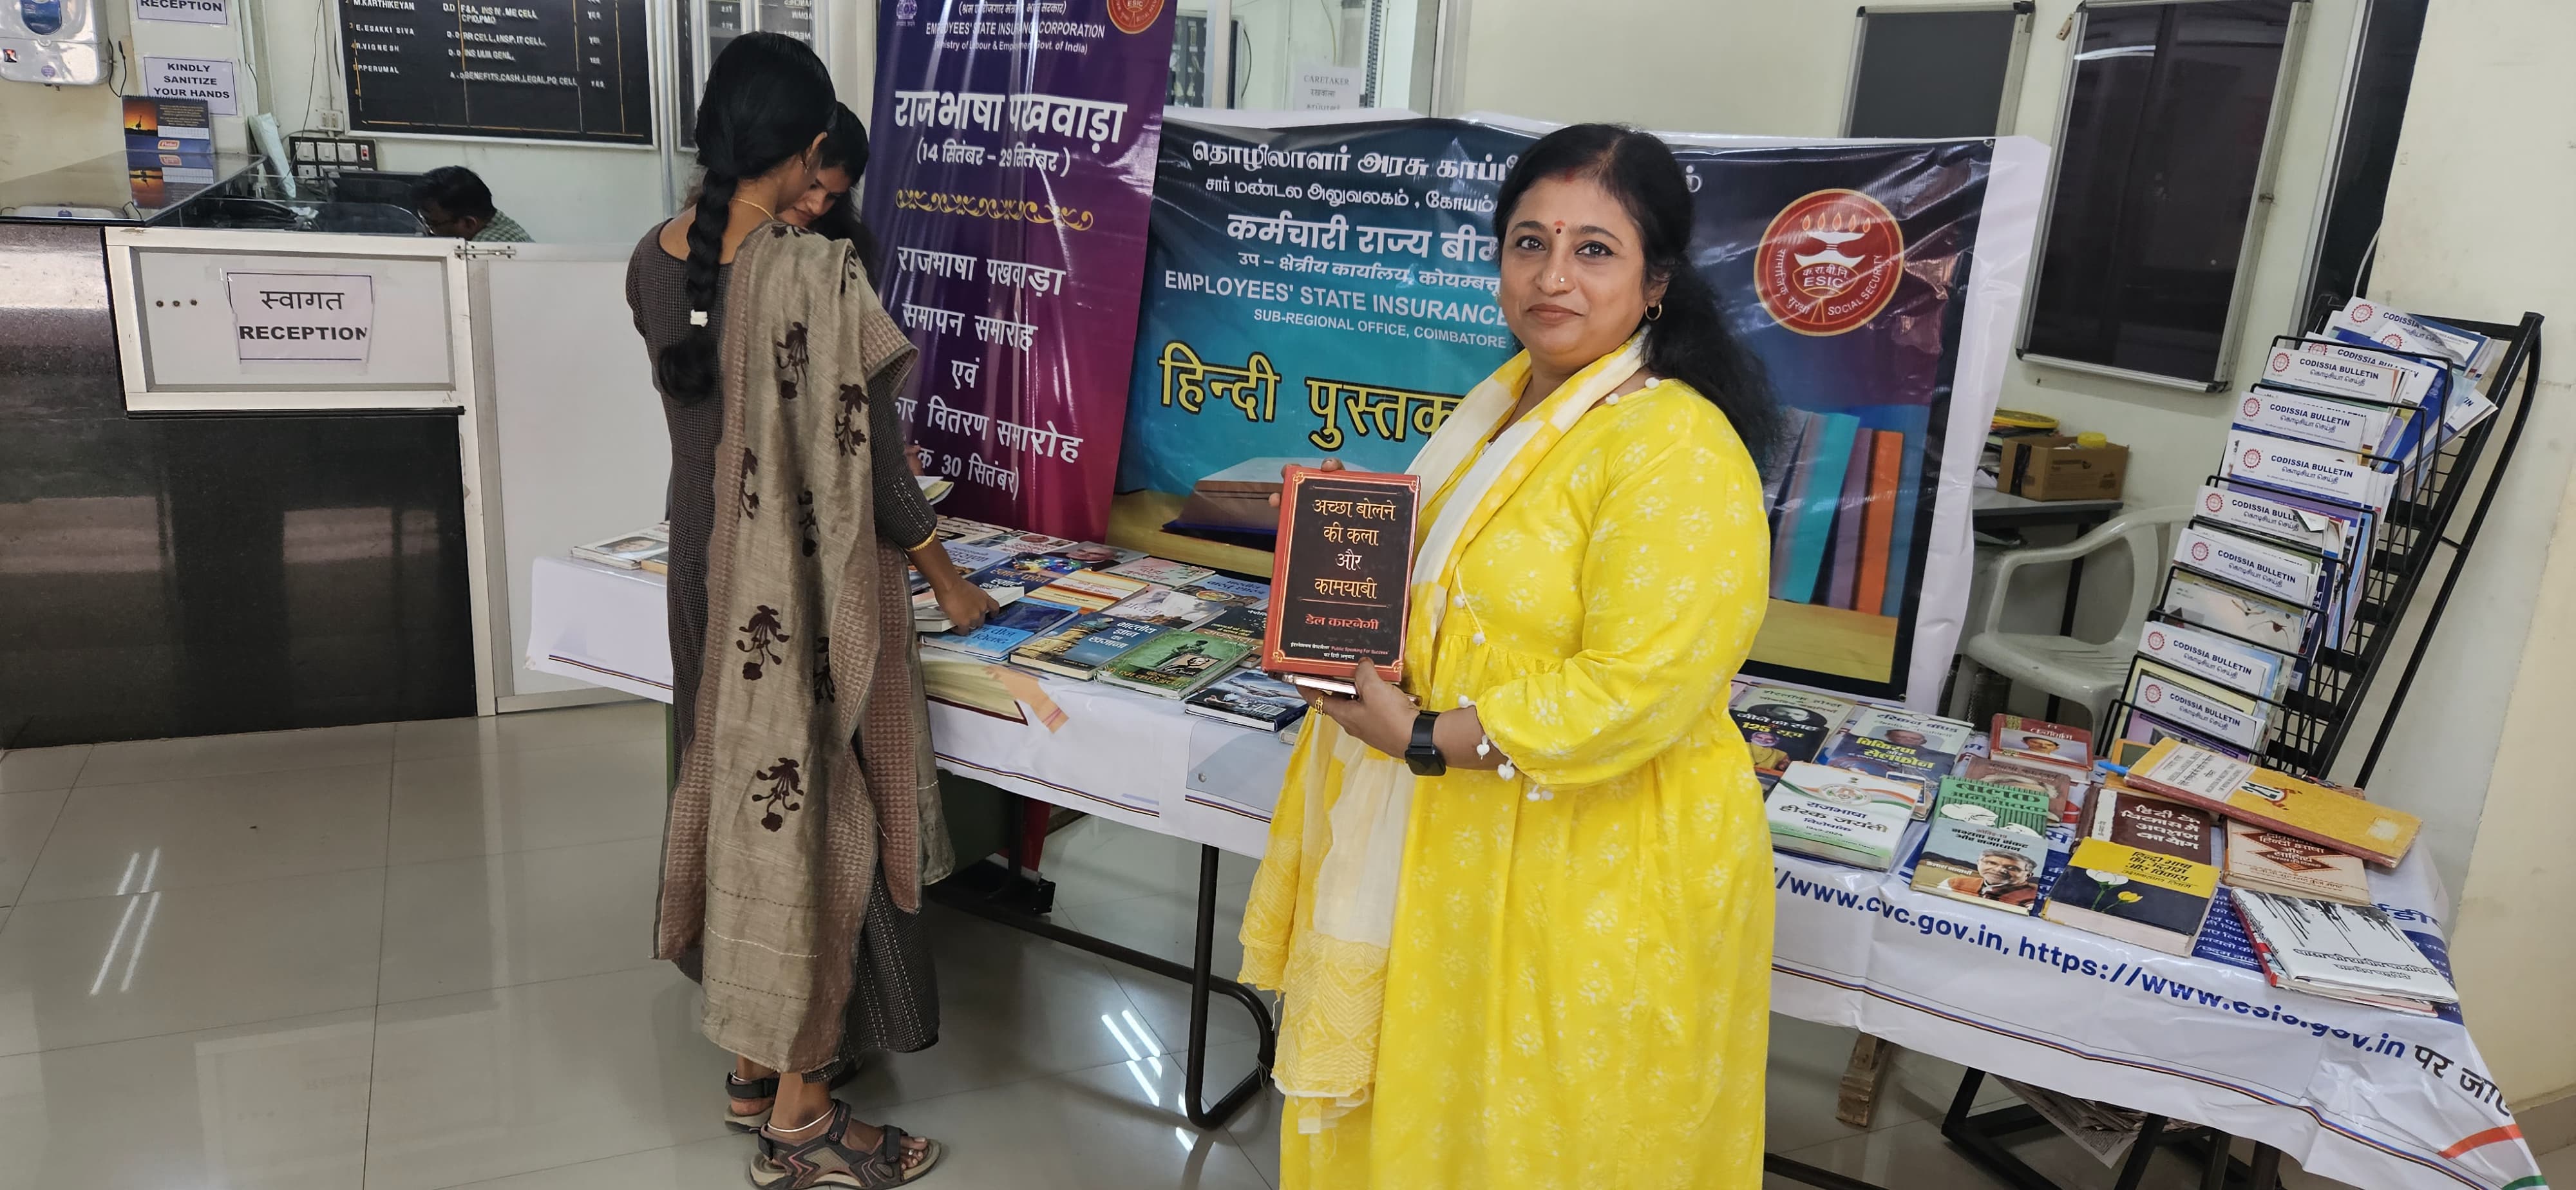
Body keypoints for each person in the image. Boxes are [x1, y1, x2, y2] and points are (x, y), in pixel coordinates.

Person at [1238, 122, 1783, 1189]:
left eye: (1594, 250)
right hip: (1457, 844)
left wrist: (1425, 736)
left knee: (1538, 1142)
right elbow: (1456, 599)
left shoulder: (1673, 444)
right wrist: (1342, 588)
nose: (1552, 276)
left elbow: (1641, 686)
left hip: (1587, 869)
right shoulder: (1503, 407)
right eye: (1530, 242)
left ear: (1656, 282)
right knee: (1428, 1122)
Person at [625, 31, 972, 1188]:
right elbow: (877, 476)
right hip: (799, 589)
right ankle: (805, 1113)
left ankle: (749, 1065)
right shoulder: (817, 277)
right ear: (812, 144)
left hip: (702, 573)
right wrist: (946, 576)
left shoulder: (653, 258)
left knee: (737, 799)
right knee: (820, 823)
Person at [415, 165, 531, 242]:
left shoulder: (485, 249)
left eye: (432, 223)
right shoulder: (497, 222)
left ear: (469, 224)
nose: (428, 231)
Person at [1946, 849, 2041, 906]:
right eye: (1991, 863)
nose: (1999, 870)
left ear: (2028, 875)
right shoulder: (1955, 883)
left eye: (2012, 868)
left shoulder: (2033, 897)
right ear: (1978, 863)